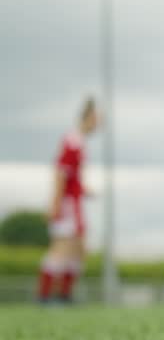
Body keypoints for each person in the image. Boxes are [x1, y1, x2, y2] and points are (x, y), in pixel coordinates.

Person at [37, 98, 99, 305]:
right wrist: (55, 204)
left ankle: (64, 296)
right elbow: (60, 173)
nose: (98, 124)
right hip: (67, 204)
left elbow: (72, 177)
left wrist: (84, 190)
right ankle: (45, 296)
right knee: (62, 249)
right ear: (89, 117)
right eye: (97, 119)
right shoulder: (72, 141)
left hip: (74, 202)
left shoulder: (80, 142)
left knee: (78, 250)